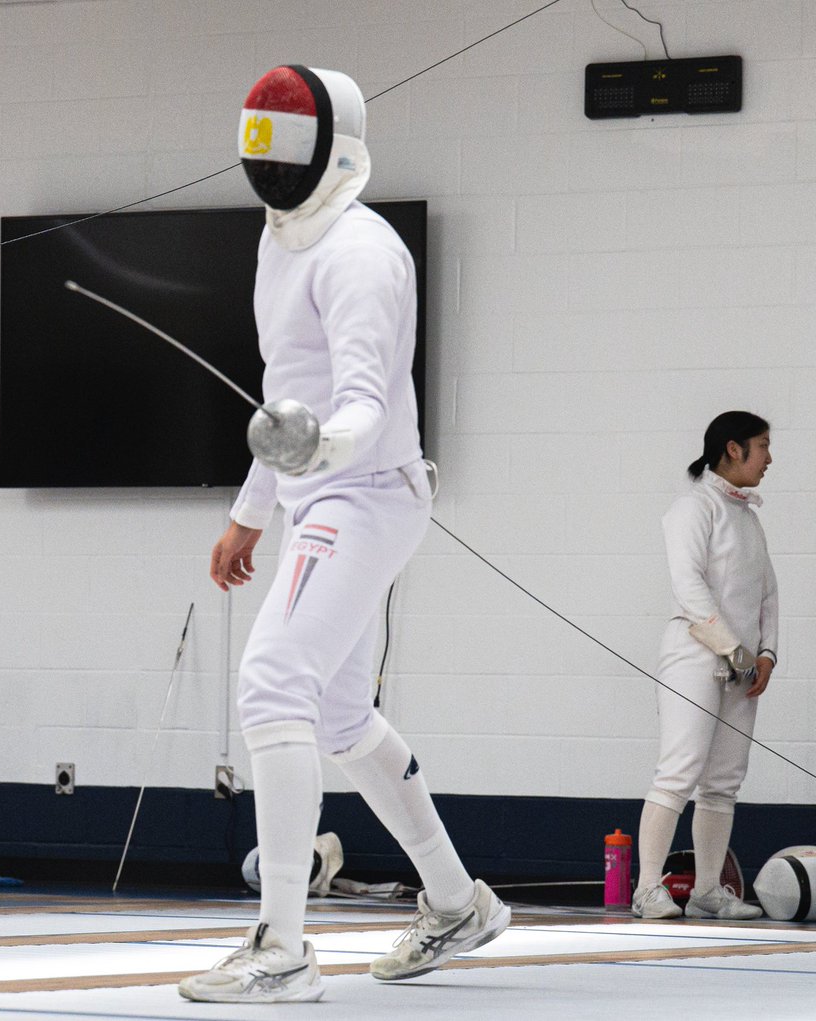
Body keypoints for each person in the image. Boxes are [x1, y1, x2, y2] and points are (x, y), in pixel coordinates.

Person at [178, 64, 508, 1005]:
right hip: (321, 495)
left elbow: (356, 403)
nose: (274, 170)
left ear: (335, 146)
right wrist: (252, 510)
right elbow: (292, 393)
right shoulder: (280, 240)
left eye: (289, 149)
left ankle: (282, 946)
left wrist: (317, 450)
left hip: (364, 492)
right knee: (335, 716)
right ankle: (456, 903)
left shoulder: (365, 253)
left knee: (271, 681)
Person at [631, 411, 776, 921]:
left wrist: (765, 654)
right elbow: (688, 585)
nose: (769, 458)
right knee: (678, 772)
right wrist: (731, 647)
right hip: (694, 654)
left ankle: (708, 890)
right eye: (762, 446)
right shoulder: (694, 508)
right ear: (733, 449)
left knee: (723, 782)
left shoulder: (748, 518)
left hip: (741, 667)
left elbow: (767, 594)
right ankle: (648, 888)